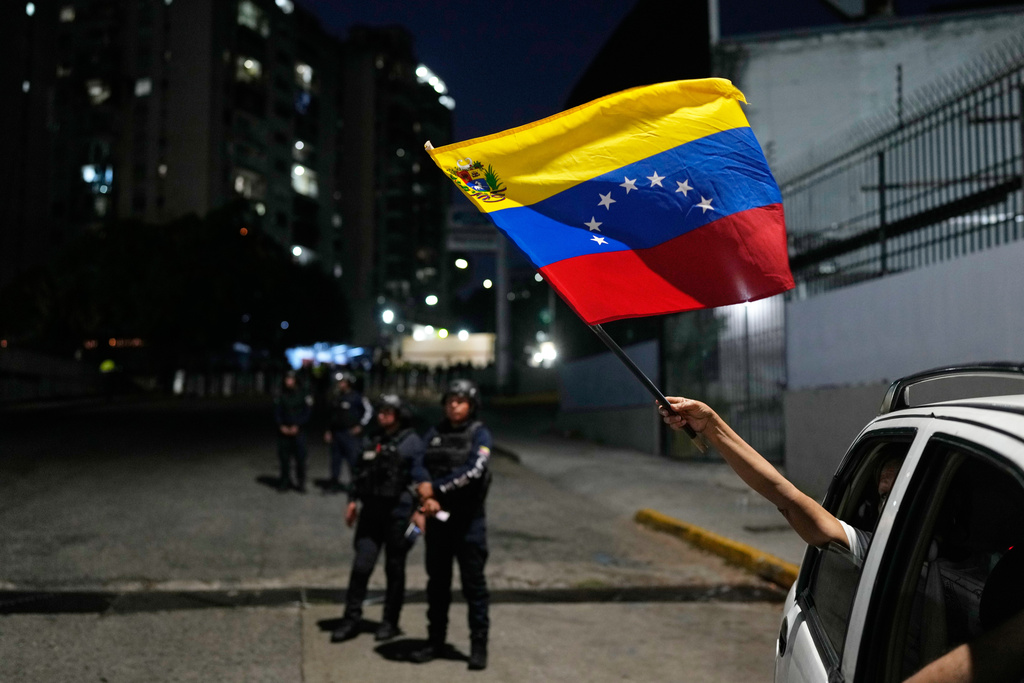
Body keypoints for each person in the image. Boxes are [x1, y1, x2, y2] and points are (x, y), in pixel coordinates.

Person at [658, 396, 896, 559]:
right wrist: (711, 425)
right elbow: (788, 498)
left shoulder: (895, 556)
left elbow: (789, 500)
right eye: (885, 494)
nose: (896, 502)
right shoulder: (880, 553)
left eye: (907, 489)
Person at [410, 379, 493, 671]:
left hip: (469, 524)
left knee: (474, 588)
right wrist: (424, 488)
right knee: (437, 586)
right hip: (438, 522)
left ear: (471, 404)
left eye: (460, 400)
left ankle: (478, 646)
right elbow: (417, 461)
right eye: (450, 401)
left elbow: (474, 469)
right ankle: (435, 641)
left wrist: (436, 489)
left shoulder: (479, 433)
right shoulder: (435, 431)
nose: (454, 405)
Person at [330, 394, 424, 643]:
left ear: (400, 414)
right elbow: (359, 472)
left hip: (400, 516)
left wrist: (420, 516)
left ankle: (390, 622)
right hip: (371, 513)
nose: (382, 415)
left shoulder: (412, 442)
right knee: (361, 566)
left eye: (388, 411)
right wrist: (352, 501)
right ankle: (351, 618)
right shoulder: (372, 438)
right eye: (380, 410)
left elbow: (423, 479)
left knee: (395, 568)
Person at [323, 371, 373, 494]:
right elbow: (332, 416)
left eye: (343, 382)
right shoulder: (336, 397)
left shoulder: (356, 397)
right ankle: (334, 483)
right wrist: (329, 430)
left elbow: (369, 411)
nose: (340, 384)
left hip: (350, 434)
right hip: (337, 433)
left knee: (353, 460)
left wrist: (360, 425)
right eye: (339, 382)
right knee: (335, 460)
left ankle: (355, 484)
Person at [274, 371, 314, 492]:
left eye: (290, 379)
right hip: (284, 431)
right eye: (286, 379)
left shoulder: (304, 394)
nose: (288, 382)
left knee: (300, 459)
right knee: (284, 459)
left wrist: (298, 425)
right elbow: (277, 412)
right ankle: (285, 482)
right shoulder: (281, 394)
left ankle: (301, 482)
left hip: (299, 432)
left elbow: (307, 413)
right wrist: (281, 426)